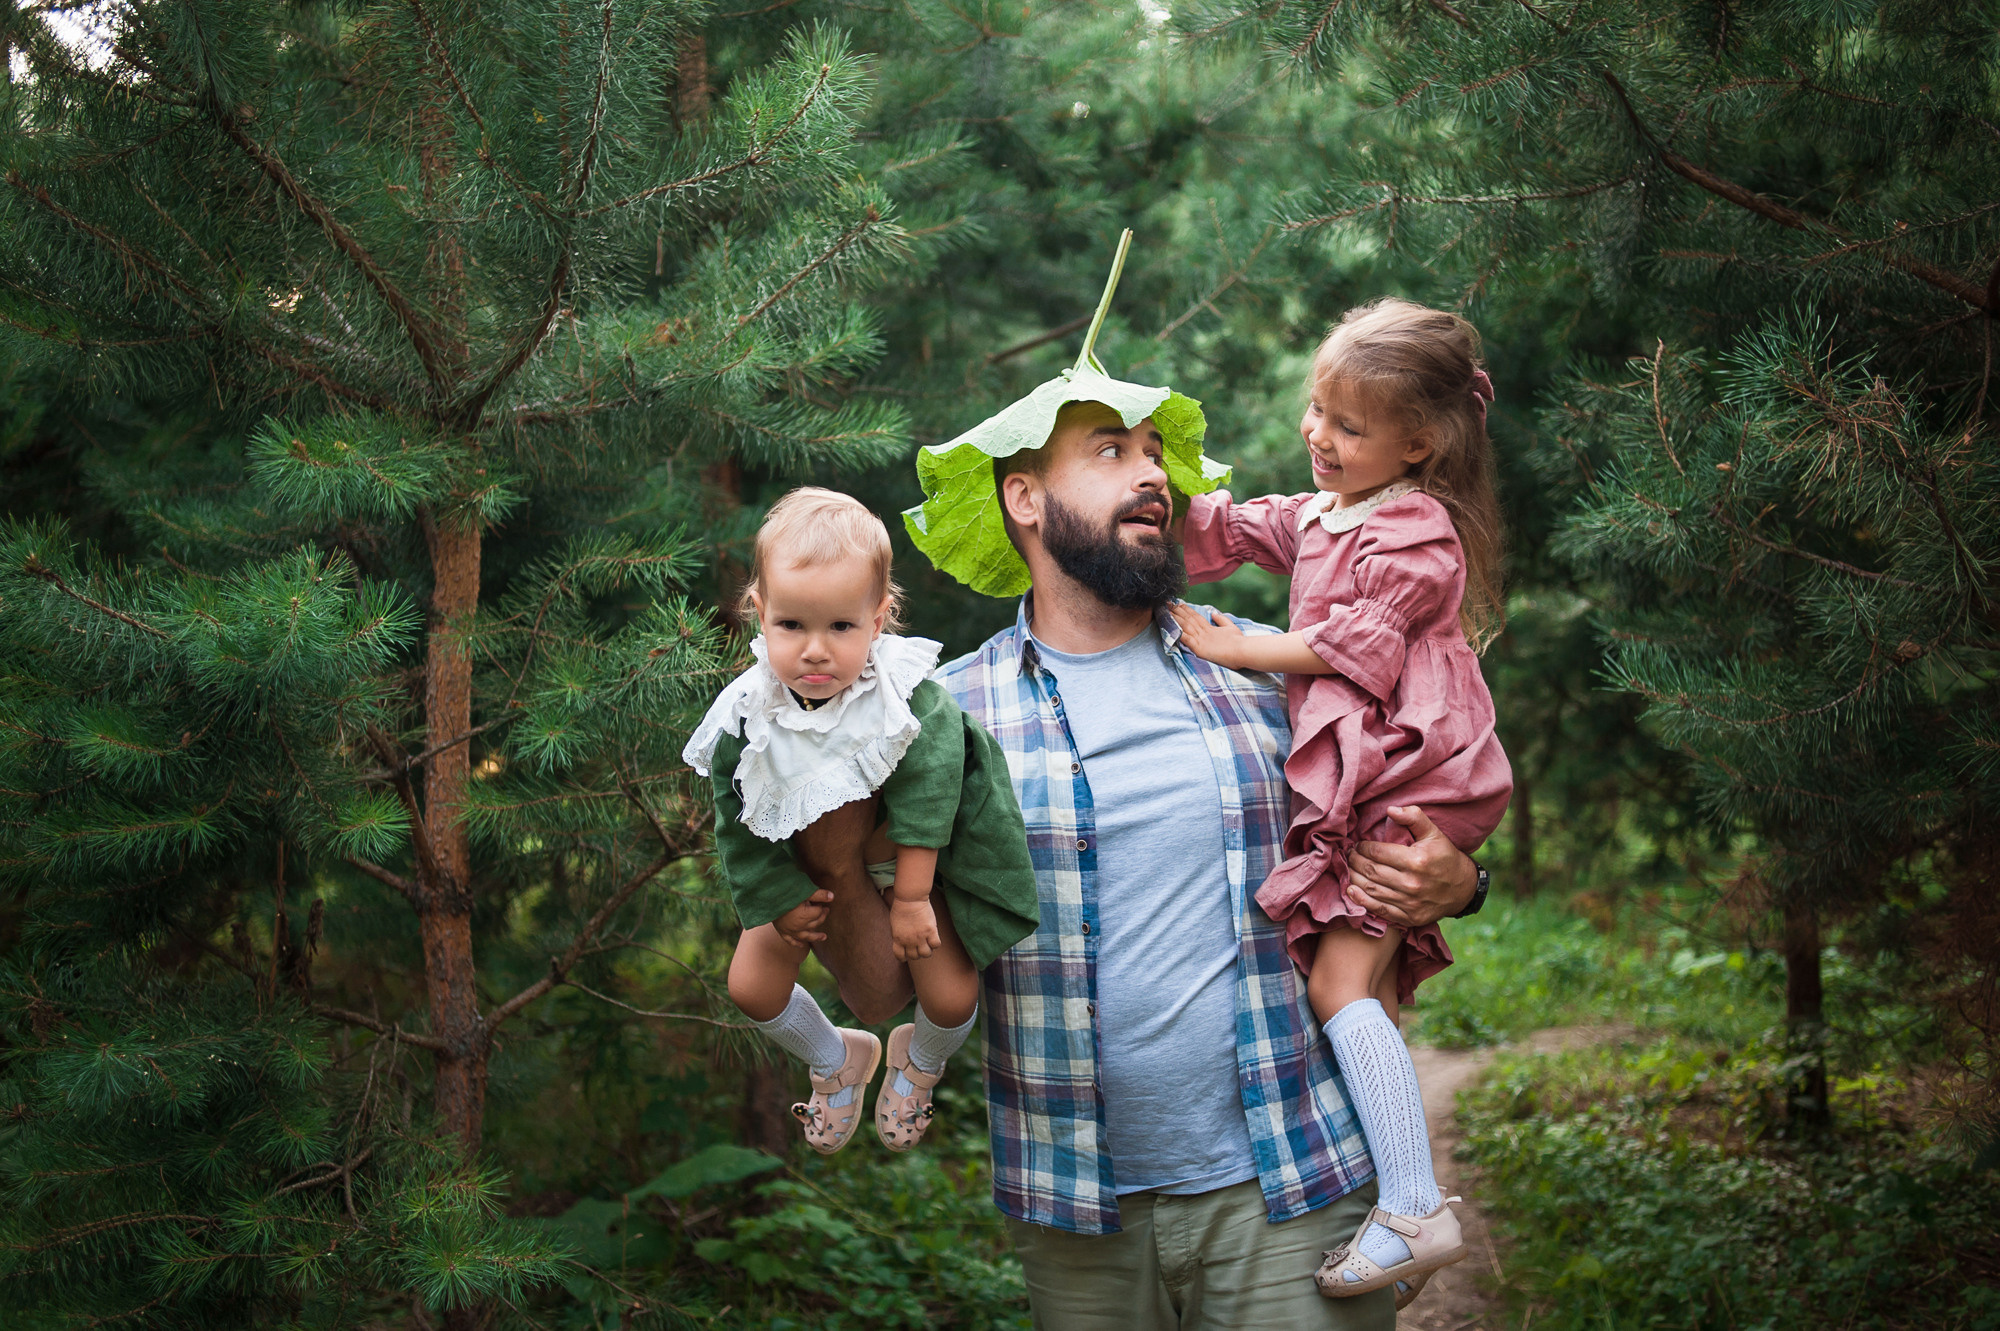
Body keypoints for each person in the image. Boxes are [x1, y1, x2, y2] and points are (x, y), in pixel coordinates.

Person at [892, 359, 1487, 1323]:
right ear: (1025, 496)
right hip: (1076, 1210)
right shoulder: (950, 716)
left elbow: (1429, 784)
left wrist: (1463, 879)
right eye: (1111, 450)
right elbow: (900, 960)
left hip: (1293, 1189)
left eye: (1157, 451)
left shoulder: (1272, 675)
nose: (1153, 473)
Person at [1169, 297, 1513, 1303]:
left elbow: (1353, 646)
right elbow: (1226, 527)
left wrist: (1233, 644)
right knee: (1356, 991)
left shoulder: (1415, 528)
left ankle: (1413, 1208)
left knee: (1337, 988)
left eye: (1348, 425)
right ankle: (1391, 1193)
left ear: (1417, 443)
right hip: (1379, 768)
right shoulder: (1329, 510)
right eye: (1315, 409)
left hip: (1413, 770)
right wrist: (1152, 484)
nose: (1319, 435)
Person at [682, 488, 1038, 1155]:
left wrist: (911, 895)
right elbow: (733, 815)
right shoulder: (747, 712)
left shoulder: (900, 693)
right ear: (760, 613)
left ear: (879, 620)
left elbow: (935, 786)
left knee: (954, 996)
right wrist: (778, 897)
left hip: (907, 855)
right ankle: (834, 1057)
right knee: (750, 986)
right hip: (800, 866)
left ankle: (921, 1062)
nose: (815, 651)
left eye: (841, 627)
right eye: (791, 626)